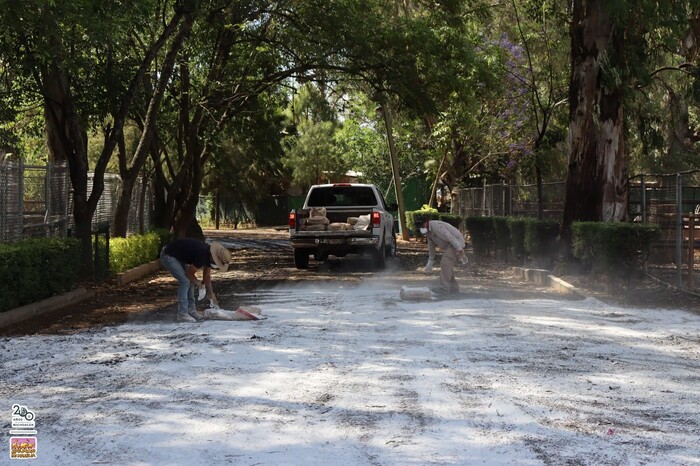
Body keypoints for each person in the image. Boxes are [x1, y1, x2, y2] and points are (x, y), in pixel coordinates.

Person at [160, 238, 232, 322]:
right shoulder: (202, 255)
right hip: (168, 255)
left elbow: (207, 276)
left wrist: (210, 293)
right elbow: (189, 274)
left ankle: (192, 311)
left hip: (178, 256)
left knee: (190, 281)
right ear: (214, 258)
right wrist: (199, 284)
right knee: (185, 281)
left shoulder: (209, 255)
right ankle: (182, 314)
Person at [420, 219, 467, 295]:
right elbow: (431, 246)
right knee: (447, 266)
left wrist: (460, 249)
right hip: (450, 245)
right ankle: (453, 288)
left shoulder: (437, 227)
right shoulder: (429, 232)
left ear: (426, 223)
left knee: (445, 263)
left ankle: (444, 289)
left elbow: (450, 238)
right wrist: (430, 261)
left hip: (456, 242)